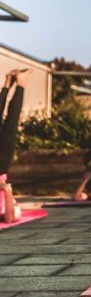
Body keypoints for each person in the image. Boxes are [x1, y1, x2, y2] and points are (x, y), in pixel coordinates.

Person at [0, 69, 30, 223]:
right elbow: (10, 218)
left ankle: (9, 83)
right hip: (1, 168)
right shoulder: (9, 209)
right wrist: (6, 189)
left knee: (10, 123)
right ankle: (18, 83)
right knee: (11, 123)